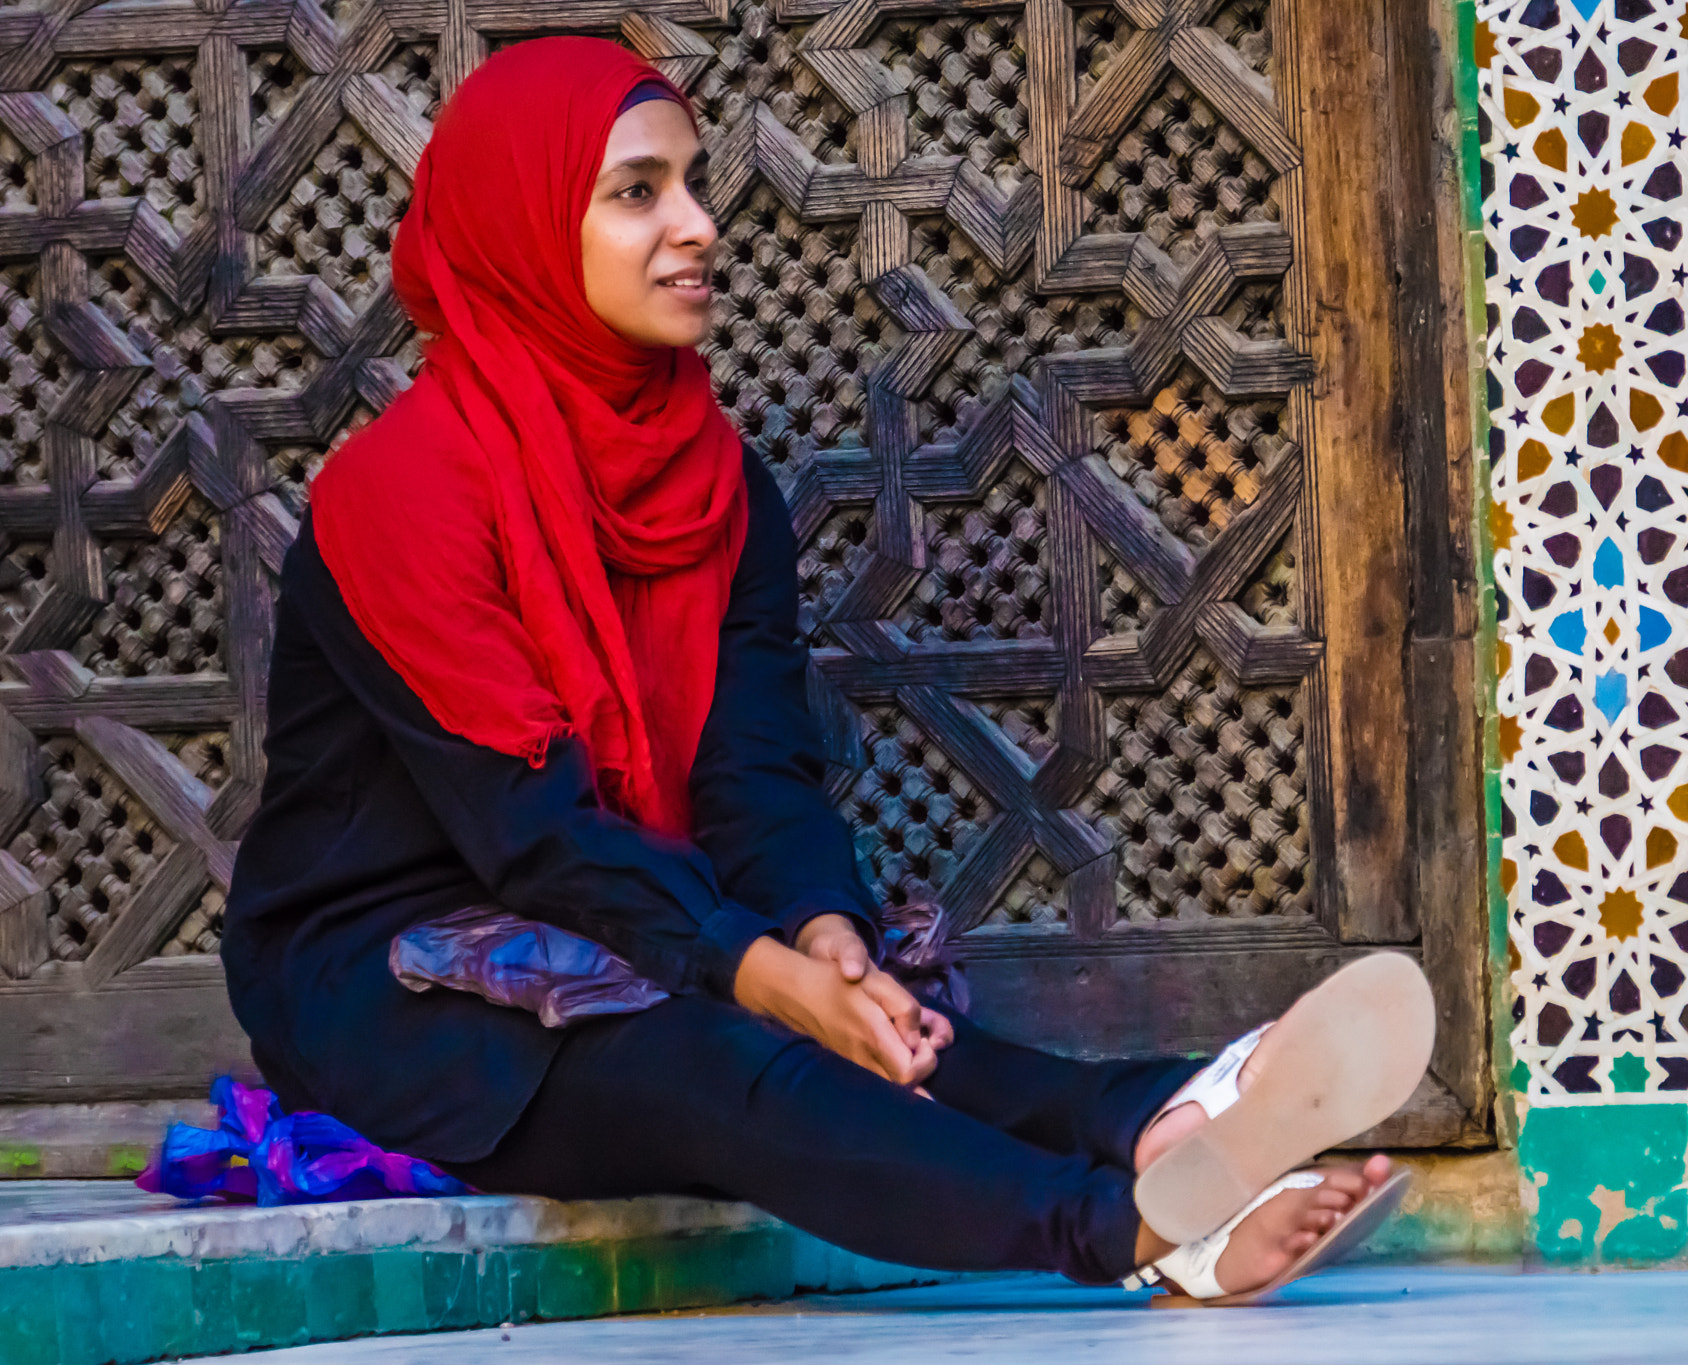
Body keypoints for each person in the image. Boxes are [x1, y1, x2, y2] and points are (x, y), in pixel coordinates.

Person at [221, 36, 1435, 1305]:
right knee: (713, 1051)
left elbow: (749, 773)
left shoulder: (712, 477)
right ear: (522, 225)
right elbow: (531, 838)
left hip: (624, 920)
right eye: (636, 192)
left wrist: (824, 936)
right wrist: (767, 977)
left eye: (692, 184)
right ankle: (1122, 1229)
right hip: (390, 984)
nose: (695, 227)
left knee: (868, 1020)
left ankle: (1144, 1117)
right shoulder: (400, 495)